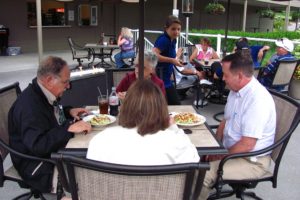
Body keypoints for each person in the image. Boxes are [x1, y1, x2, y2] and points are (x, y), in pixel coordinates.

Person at [8, 56, 92, 193]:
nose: (68, 86)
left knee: (87, 161)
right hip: (36, 165)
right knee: (88, 179)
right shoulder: (29, 107)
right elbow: (38, 146)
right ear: (49, 81)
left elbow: (49, 114)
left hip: (50, 154)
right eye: (65, 82)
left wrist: (68, 111)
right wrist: (68, 129)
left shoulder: (41, 92)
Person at [199, 52, 276, 200]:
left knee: (203, 174)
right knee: (193, 156)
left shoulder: (257, 100)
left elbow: (247, 145)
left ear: (240, 76)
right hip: (231, 151)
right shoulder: (236, 91)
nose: (223, 79)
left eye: (226, 75)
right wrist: (214, 146)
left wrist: (220, 155)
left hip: (251, 160)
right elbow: (225, 121)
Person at [87, 80, 200, 165]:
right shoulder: (176, 143)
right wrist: (175, 129)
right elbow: (194, 160)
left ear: (125, 106)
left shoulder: (100, 140)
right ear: (161, 108)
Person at [153, 15, 184, 105]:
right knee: (176, 105)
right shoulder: (164, 40)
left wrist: (177, 57)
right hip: (160, 78)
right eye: (173, 29)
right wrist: (172, 60)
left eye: (178, 29)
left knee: (167, 106)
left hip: (166, 77)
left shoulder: (173, 40)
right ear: (166, 29)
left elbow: (169, 57)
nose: (176, 32)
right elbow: (154, 56)